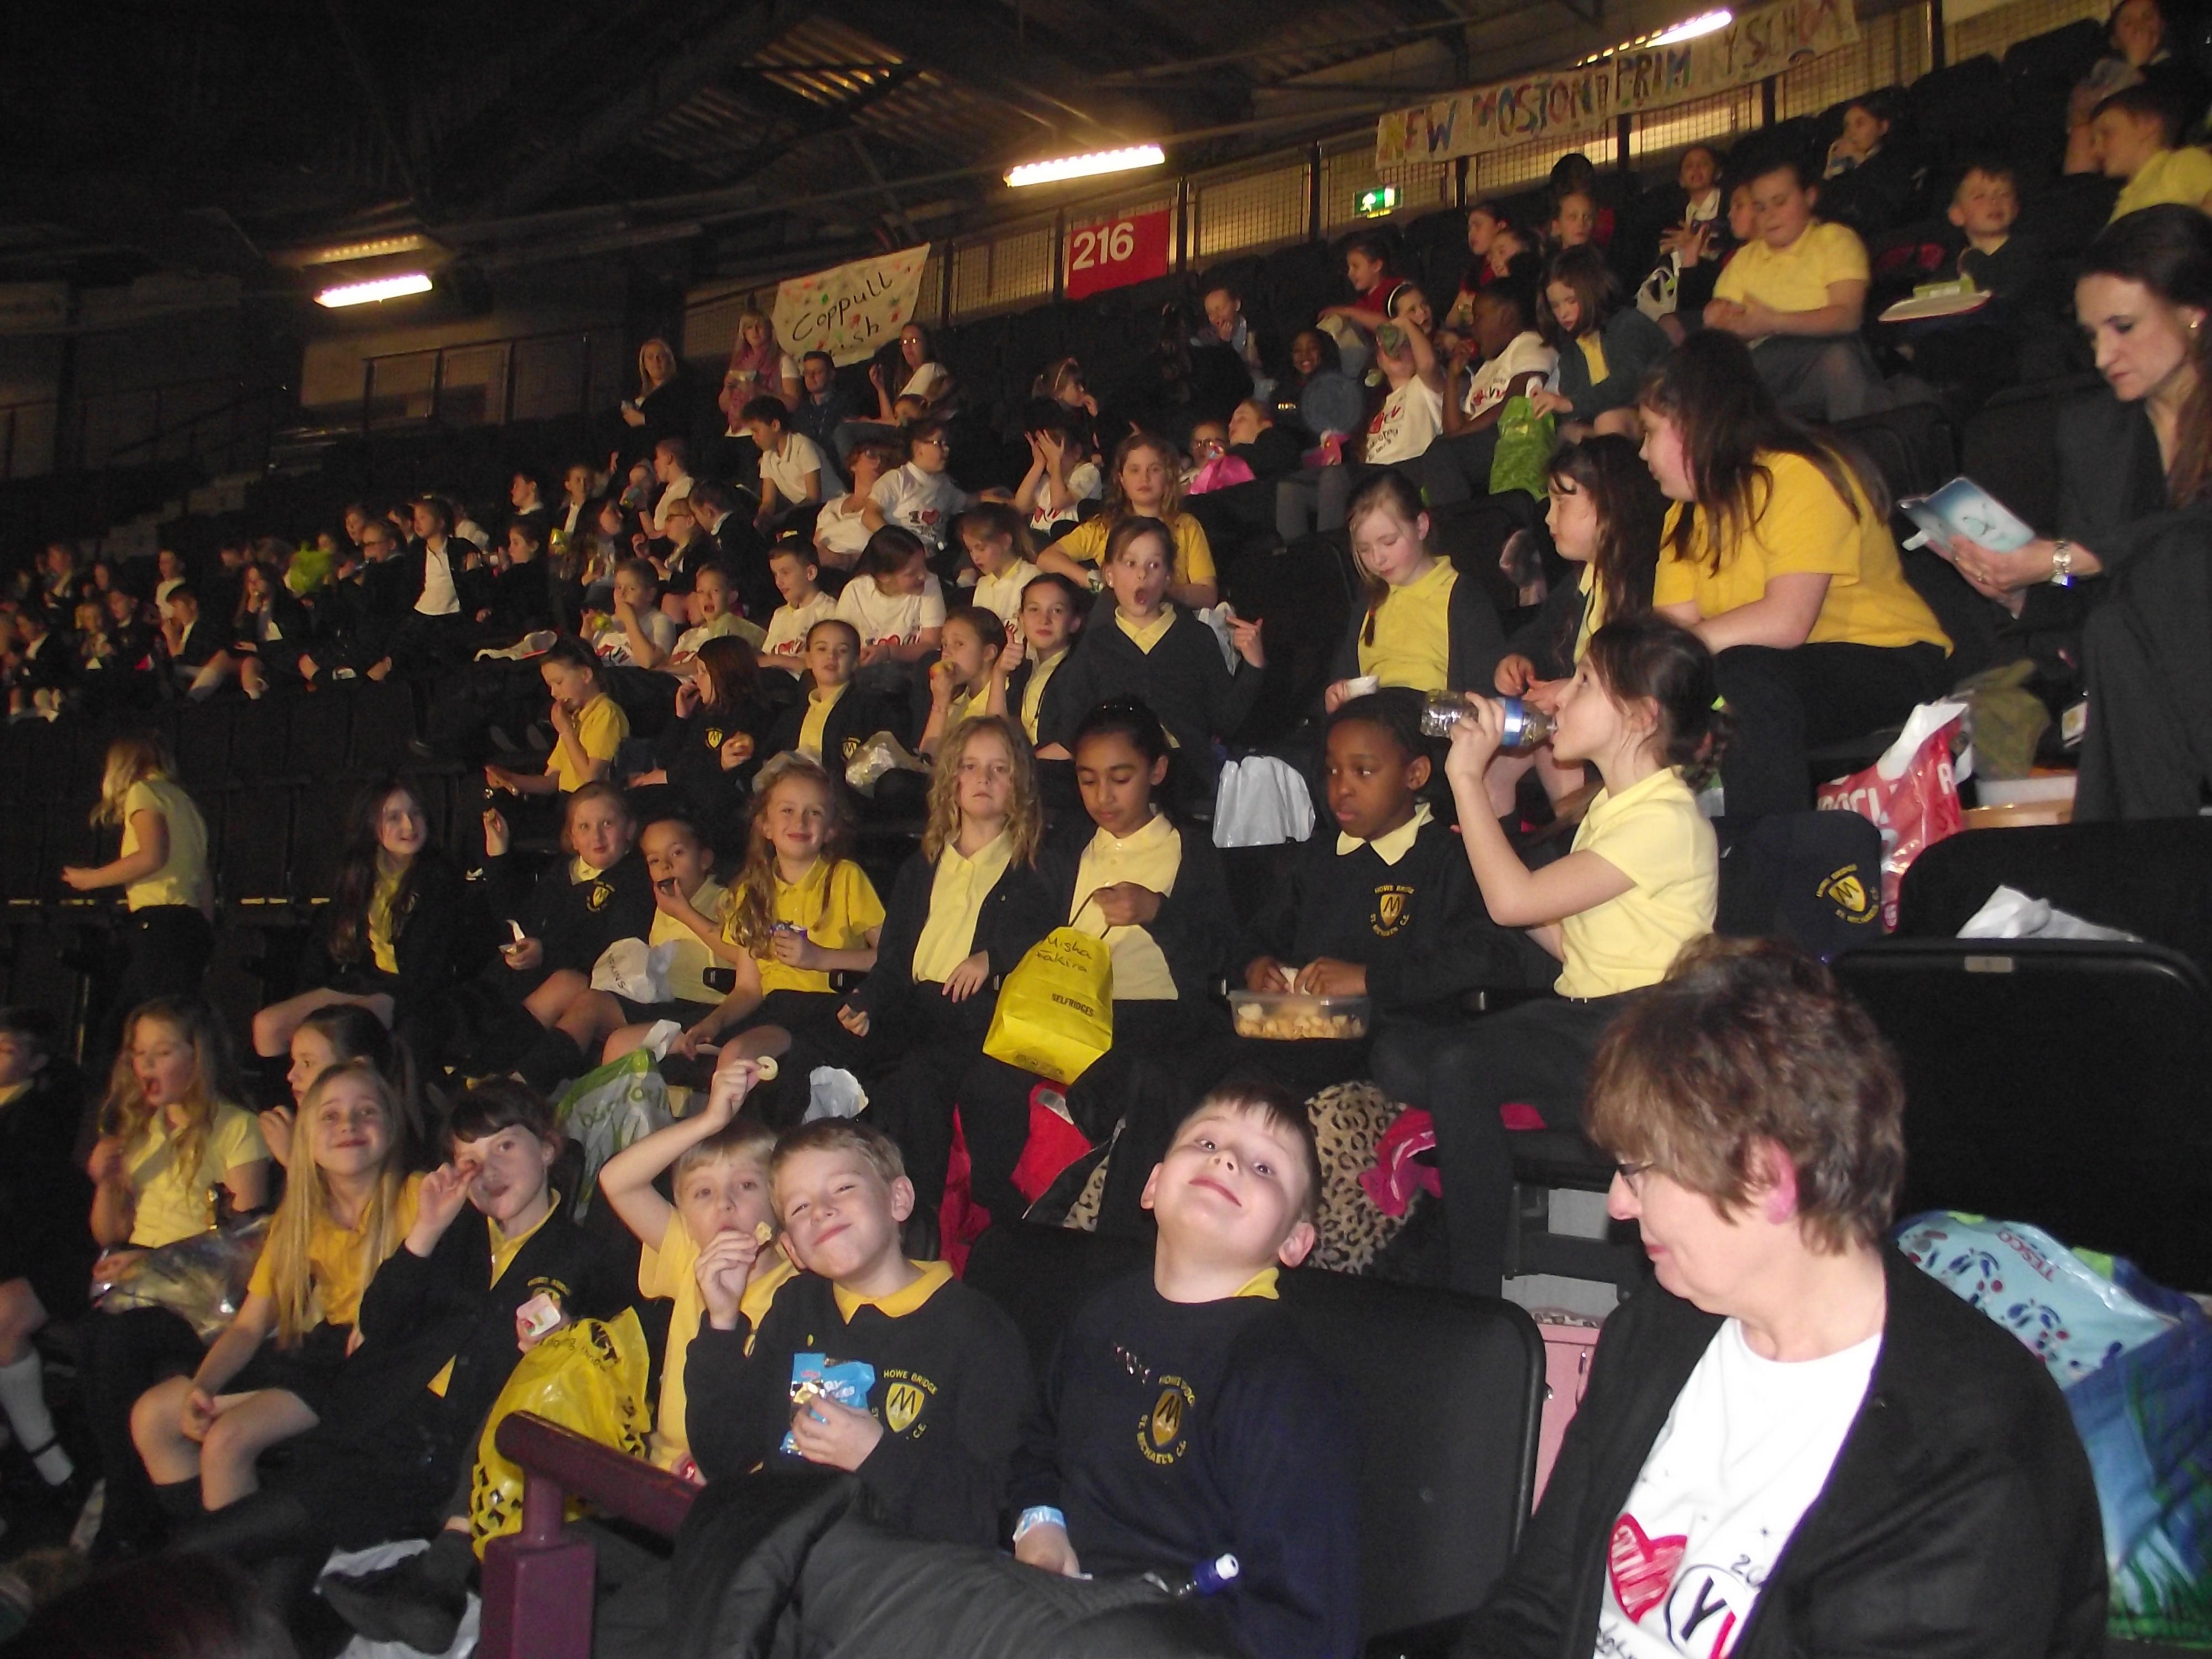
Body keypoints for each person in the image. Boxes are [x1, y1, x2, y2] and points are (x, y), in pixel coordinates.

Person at [1453, 937, 2107, 1659]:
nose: (1618, 1204)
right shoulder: (1656, 1332)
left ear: (1766, 1179)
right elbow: (1537, 1608)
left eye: (1637, 1170)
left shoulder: (1964, 1469)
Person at [1373, 617, 1726, 1295]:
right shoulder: (1612, 807)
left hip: (1644, 1031)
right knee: (1400, 1051)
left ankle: (1471, 1288)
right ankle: (1517, 1116)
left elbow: (1515, 902)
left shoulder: (1664, 818)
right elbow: (1567, 939)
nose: (1559, 697)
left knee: (1459, 1066)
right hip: (1584, 1017)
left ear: (1640, 716)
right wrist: (1496, 816)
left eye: (1585, 682)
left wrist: (1467, 779)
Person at [215, 1082, 618, 1642]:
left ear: (548, 1149)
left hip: (456, 1463)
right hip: (379, 1437)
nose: (488, 1170)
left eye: (505, 1147)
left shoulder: (583, 1255)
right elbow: (378, 1322)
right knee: (256, 1588)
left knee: (249, 1576)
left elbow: (602, 1369)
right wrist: (424, 1232)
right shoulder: (453, 1232)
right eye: (469, 1159)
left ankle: (422, 1588)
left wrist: (567, 1342)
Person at [1011, 1083, 1361, 1659]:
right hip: (1047, 1612)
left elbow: (1306, 1620)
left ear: (1296, 1242)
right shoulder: (1101, 1317)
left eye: (1264, 1168)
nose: (1227, 1161)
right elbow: (1036, 1446)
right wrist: (1040, 1527)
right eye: (1206, 1143)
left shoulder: (1280, 1383)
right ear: (1152, 1185)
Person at [1941, 208, 2211, 818]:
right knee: (2110, 627)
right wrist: (2023, 590)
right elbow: (2080, 590)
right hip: (2139, 671)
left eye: (2123, 327)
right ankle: (2152, 854)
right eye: (2092, 336)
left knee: (2178, 560)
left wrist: (2072, 556)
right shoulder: (2093, 434)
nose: (2104, 355)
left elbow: (2173, 543)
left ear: (2193, 312)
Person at [1639, 331, 1950, 818]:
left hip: (1889, 658)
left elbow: (1786, 621)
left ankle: (1772, 851)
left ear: (1694, 424)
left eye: (1650, 432)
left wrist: (1672, 654)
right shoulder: (1684, 516)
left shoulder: (1800, 475)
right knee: (1676, 696)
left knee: (1740, 677)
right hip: (1778, 674)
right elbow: (1672, 636)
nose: (1642, 452)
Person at [684, 1117, 1031, 1546]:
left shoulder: (977, 1331)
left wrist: (874, 1454)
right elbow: (723, 1455)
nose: (821, 1210)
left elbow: (984, 1518)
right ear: (791, 1248)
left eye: (843, 1187)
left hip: (903, 1569)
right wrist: (721, 1323)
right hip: (786, 1553)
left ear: (898, 1200)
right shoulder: (798, 1306)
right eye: (799, 1208)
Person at [964, 700, 1243, 1232]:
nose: (1103, 797)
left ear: (1157, 771)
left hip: (1155, 1015)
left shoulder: (1189, 850)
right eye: (1088, 780)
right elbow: (1025, 918)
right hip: (1070, 1011)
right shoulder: (1070, 846)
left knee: (1122, 1082)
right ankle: (1007, 1223)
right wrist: (1000, 953)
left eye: (1121, 779)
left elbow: (1222, 955)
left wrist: (1157, 913)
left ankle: (1100, 1230)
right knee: (987, 1080)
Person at [131, 1061, 420, 1520]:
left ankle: (231, 1555)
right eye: (330, 1115)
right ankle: (197, 1542)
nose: (349, 1125)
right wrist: (205, 1385)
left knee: (228, 1441)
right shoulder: (302, 1216)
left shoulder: (417, 1196)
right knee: (153, 1415)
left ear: (392, 1126)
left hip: (374, 1363)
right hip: (322, 1351)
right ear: (307, 1138)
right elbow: (249, 1327)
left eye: (367, 1112)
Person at [1243, 693, 1548, 1087]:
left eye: (1363, 771)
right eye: (1332, 770)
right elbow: (1258, 935)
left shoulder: (1449, 856)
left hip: (1397, 1040)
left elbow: (1487, 957)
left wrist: (1369, 980)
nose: (1342, 788)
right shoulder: (1316, 857)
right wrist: (1257, 966)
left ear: (1415, 774)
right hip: (1304, 1033)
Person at [837, 716, 1056, 1213]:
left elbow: (1049, 935)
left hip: (980, 1017)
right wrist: (868, 1001)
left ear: (1020, 784)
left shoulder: (1033, 867)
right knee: (824, 1048)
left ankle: (921, 1220)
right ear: (951, 779)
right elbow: (895, 961)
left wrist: (993, 958)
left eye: (999, 769)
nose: (984, 779)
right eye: (971, 767)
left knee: (918, 1078)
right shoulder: (922, 867)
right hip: (917, 1007)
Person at [80, 997, 271, 1555]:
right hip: (142, 1274)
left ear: (198, 1056)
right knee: (96, 1338)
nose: (147, 1066)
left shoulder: (235, 1128)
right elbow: (110, 1231)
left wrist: (149, 1264)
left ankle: (124, 1508)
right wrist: (107, 1182)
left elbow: (246, 1240)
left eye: (162, 1052)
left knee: (117, 1343)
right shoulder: (141, 1129)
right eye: (140, 1054)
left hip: (201, 1287)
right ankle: (123, 1490)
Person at [600, 1057, 790, 1478]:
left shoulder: (800, 1287)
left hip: (745, 1480)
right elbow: (617, 1181)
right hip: (664, 1469)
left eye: (746, 1185)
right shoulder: (689, 1252)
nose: (725, 1203)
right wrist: (708, 1121)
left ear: (779, 1200)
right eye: (704, 1193)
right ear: (685, 1215)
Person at [657, 753, 884, 1084]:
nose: (800, 822)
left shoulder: (845, 878)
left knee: (738, 1057)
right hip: (772, 1010)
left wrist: (820, 958)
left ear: (831, 829)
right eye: (787, 811)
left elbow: (892, 958)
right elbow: (749, 988)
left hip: (829, 1011)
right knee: (649, 1047)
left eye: (814, 813)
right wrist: (715, 1021)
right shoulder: (751, 890)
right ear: (765, 824)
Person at [1491, 435, 1666, 813]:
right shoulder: (1583, 580)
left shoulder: (1647, 585)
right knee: (1491, 759)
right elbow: (1539, 633)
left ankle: (1575, 832)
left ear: (1611, 506)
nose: (1549, 518)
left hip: (1627, 734)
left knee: (1551, 737)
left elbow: (1635, 680)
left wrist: (1567, 690)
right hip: (1582, 715)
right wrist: (1519, 658)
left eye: (1562, 503)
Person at [1035, 518, 1265, 797]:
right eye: (1130, 564)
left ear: (1168, 577)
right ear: (1109, 575)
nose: (1141, 575)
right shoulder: (1095, 646)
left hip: (1186, 779)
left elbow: (1225, 721)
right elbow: (1073, 729)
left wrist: (1254, 666)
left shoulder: (1196, 638)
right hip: (1115, 780)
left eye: (1153, 565)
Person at [251, 776, 462, 1067]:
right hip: (360, 981)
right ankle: (290, 1093)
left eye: (416, 814)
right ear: (372, 824)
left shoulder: (439, 878)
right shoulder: (359, 874)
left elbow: (428, 968)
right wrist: (309, 995)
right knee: (267, 1025)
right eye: (394, 817)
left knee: (343, 1030)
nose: (409, 825)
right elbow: (325, 941)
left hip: (403, 989)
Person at [482, 781, 654, 1086]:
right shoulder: (565, 870)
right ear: (572, 836)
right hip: (531, 974)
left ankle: (509, 1083)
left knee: (564, 985)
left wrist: (546, 952)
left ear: (629, 829)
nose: (597, 837)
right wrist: (499, 855)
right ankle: (481, 1073)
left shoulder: (633, 878)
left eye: (607, 824)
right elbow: (518, 913)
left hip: (589, 981)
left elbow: (611, 944)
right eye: (585, 827)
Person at [1702, 155, 1884, 421]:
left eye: (1780, 202)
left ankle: (1858, 443)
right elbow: (1724, 326)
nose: (1770, 216)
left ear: (1809, 197)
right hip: (1761, 364)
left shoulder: (1834, 240)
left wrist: (1772, 321)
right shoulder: (1744, 259)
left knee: (1840, 358)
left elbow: (1847, 317)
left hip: (1828, 351)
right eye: (1760, 207)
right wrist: (1719, 316)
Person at [63, 734, 215, 1050]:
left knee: (137, 1025)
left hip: (159, 922)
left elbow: (152, 856)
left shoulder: (143, 792)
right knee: (172, 1024)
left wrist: (92, 879)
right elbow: (203, 878)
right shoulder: (183, 801)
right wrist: (205, 931)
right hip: (188, 922)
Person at [0, 1008, 94, 1510]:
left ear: (36, 1063)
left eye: (6, 1050)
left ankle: (54, 1466)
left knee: (4, 1320)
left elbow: (35, 1204)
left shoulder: (42, 1114)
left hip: (43, 1251)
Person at [1321, 469, 1506, 709]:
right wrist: (1336, 694)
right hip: (1375, 717)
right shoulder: (1367, 606)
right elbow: (1343, 676)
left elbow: (1484, 690)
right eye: (1364, 549)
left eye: (1389, 542)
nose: (1377, 559)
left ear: (1420, 527)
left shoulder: (1462, 598)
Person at [1276, 310, 1449, 541]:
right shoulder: (1376, 405)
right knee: (1290, 489)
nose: (1396, 350)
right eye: (1388, 347)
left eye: (1406, 345)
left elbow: (1428, 363)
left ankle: (1331, 554)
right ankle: (1296, 559)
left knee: (1334, 478)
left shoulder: (1425, 387)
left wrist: (1406, 324)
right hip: (1374, 477)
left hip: (1410, 470)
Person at [1037, 432, 1221, 611]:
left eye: (1154, 469)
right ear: (1122, 479)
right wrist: (1095, 582)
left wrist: (1164, 590)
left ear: (1168, 477)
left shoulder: (1186, 526)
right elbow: (1047, 558)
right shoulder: (1104, 526)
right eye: (1134, 470)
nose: (1144, 478)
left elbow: (1208, 594)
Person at [1530, 246, 1673, 440]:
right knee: (1569, 432)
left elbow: (1628, 383)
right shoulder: (1572, 346)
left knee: (1608, 421)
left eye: (1571, 301)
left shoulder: (1627, 324)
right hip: (1612, 421)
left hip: (1660, 413)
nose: (1563, 313)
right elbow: (1572, 395)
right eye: (1555, 306)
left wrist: (1570, 404)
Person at [640, 635, 776, 834]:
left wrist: (669, 777)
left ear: (726, 675)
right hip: (683, 796)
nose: (697, 680)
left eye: (703, 672)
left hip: (715, 811)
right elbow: (664, 758)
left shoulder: (750, 717)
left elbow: (725, 776)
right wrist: (681, 718)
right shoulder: (702, 708)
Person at [484, 636, 630, 804]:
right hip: (567, 802)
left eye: (559, 683)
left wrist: (567, 731)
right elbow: (551, 781)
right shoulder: (575, 718)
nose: (554, 693)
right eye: (550, 686)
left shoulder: (606, 713)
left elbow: (591, 778)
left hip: (594, 804)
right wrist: (510, 779)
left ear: (586, 675)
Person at [835, 526, 947, 695]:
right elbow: (840, 640)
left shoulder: (929, 585)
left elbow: (931, 645)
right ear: (884, 576)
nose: (923, 576)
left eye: (923, 566)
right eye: (912, 573)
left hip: (910, 674)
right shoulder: (856, 591)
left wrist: (888, 652)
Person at [1635, 146, 1728, 328]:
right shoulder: (1676, 216)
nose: (1696, 169)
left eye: (1703, 164)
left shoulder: (1728, 206)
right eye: (1689, 166)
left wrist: (1700, 246)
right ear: (1681, 180)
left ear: (1717, 173)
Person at [987, 571, 1082, 747]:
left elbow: (1068, 747)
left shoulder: (1080, 673)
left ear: (1074, 623)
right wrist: (999, 673)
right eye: (1034, 610)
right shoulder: (1025, 670)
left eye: (1057, 611)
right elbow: (995, 732)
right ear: (1021, 619)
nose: (1044, 620)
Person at [1450, 281, 1556, 435]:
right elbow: (1453, 429)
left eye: (1478, 318)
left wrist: (1456, 439)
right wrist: (1452, 376)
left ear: (1505, 316)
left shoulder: (1530, 343)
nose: (1473, 328)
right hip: (1478, 443)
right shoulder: (1488, 367)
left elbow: (1512, 407)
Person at [2095, 84, 2212, 218]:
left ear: (2148, 125)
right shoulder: (2123, 201)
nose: (2097, 149)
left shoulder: (2181, 164)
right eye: (2094, 141)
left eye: (2107, 133)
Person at [865, 420, 971, 558]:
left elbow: (970, 502)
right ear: (918, 448)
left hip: (934, 558)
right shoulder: (898, 478)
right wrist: (903, 546)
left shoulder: (946, 485)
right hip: (900, 558)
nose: (947, 449)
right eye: (939, 443)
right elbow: (869, 516)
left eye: (946, 444)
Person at [1818, 92, 1917, 237]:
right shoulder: (1845, 169)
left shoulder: (1896, 161)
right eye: (1847, 126)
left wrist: (1861, 159)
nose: (1851, 133)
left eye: (1860, 124)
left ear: (1882, 127)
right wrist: (1830, 171)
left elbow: (1893, 200)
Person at [744, 394, 843, 535]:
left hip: (834, 509)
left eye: (756, 431)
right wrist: (762, 518)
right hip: (807, 514)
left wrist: (780, 519)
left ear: (775, 425)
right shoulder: (768, 456)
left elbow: (813, 498)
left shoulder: (802, 446)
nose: (754, 437)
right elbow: (768, 502)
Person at [916, 605, 1005, 759]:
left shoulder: (1004, 697)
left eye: (958, 644)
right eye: (944, 644)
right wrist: (940, 704)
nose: (946, 653)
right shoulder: (957, 699)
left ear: (988, 653)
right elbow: (926, 759)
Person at [1016, 402, 1104, 543]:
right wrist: (1038, 464)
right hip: (1040, 544)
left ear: (1077, 452)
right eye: (1047, 457)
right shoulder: (1047, 481)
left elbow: (1059, 501)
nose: (1051, 462)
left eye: (1057, 456)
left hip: (1068, 543)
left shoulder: (1087, 472)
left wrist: (1056, 463)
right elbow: (1021, 506)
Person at [758, 540, 839, 674]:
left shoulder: (828, 611)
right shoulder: (780, 614)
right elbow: (766, 659)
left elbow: (821, 668)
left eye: (785, 573)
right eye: (775, 574)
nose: (778, 582)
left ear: (810, 573)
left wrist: (779, 660)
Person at [817, 441, 898, 571]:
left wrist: (843, 559)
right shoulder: (831, 506)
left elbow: (889, 551)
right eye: (871, 455)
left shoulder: (888, 508)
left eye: (886, 459)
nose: (879, 462)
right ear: (853, 464)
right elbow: (816, 546)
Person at [961, 500, 1040, 624]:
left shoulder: (1031, 578)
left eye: (981, 548)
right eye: (970, 550)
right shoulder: (983, 586)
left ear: (1005, 542)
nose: (975, 557)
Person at [619, 336, 691, 468]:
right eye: (650, 357)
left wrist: (644, 419)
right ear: (644, 364)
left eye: (660, 356)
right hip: (633, 458)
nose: (656, 361)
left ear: (669, 360)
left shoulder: (680, 391)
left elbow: (679, 422)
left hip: (661, 460)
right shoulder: (635, 393)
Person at [721, 307, 801, 423]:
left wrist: (761, 392)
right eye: (749, 327)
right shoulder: (739, 362)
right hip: (739, 428)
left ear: (769, 329)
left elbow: (793, 404)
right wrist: (728, 388)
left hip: (768, 427)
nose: (755, 331)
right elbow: (724, 407)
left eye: (760, 326)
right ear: (744, 333)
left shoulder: (783, 360)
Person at [867, 322, 956, 421]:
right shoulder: (908, 379)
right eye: (904, 342)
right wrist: (880, 388)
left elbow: (901, 422)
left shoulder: (931, 369)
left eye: (914, 341)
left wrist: (868, 422)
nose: (908, 347)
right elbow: (890, 421)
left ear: (927, 345)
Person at [792, 349, 857, 456]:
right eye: (807, 373)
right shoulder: (800, 410)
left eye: (817, 372)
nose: (810, 377)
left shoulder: (846, 403)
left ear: (831, 374)